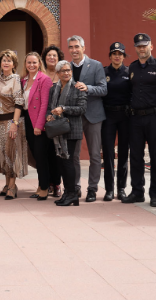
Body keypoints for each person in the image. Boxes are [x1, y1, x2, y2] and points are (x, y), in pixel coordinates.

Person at [122, 33, 156, 207]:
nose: (142, 48)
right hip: (136, 118)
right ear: (135, 48)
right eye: (139, 46)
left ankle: (155, 194)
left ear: (151, 47)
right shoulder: (133, 67)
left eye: (145, 45)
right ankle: (137, 192)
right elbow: (130, 91)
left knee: (155, 157)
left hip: (154, 117)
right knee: (136, 156)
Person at [67, 36, 107, 202]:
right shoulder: (66, 67)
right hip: (74, 117)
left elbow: (103, 89)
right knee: (73, 155)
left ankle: (92, 188)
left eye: (77, 46)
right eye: (71, 47)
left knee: (95, 155)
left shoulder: (96, 65)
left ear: (83, 48)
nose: (74, 50)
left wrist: (87, 88)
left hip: (93, 116)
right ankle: (75, 187)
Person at [47, 60, 87, 206]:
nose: (66, 73)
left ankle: (72, 194)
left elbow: (81, 109)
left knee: (68, 162)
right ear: (57, 73)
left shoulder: (78, 88)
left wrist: (64, 109)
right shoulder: (54, 89)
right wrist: (49, 115)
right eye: (63, 71)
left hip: (72, 129)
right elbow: (49, 106)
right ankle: (68, 193)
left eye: (68, 70)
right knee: (62, 163)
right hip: (58, 129)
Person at [0, 50, 27, 200]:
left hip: (11, 121)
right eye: (3, 60)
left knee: (11, 152)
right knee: (2, 153)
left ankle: (12, 186)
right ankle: (7, 184)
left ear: (14, 64)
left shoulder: (16, 79)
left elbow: (19, 103)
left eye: (9, 60)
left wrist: (15, 123)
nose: (6, 63)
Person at [102, 42, 132, 201]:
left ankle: (121, 188)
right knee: (107, 153)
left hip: (125, 116)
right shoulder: (103, 72)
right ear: (110, 56)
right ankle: (108, 189)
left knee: (123, 153)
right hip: (108, 116)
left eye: (120, 53)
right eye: (114, 53)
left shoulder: (129, 72)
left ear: (123, 56)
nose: (117, 56)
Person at [21, 51, 52, 200]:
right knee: (35, 154)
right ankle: (41, 185)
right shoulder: (24, 80)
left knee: (41, 156)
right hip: (27, 120)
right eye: (29, 62)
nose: (31, 65)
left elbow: (45, 104)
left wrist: (39, 125)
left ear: (39, 63)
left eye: (34, 62)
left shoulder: (44, 79)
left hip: (38, 122)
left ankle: (45, 187)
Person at [41, 45, 65, 197]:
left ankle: (57, 183)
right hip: (42, 119)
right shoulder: (40, 75)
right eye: (49, 55)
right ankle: (47, 183)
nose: (51, 58)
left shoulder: (63, 75)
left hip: (60, 120)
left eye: (54, 56)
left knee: (59, 153)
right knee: (46, 152)